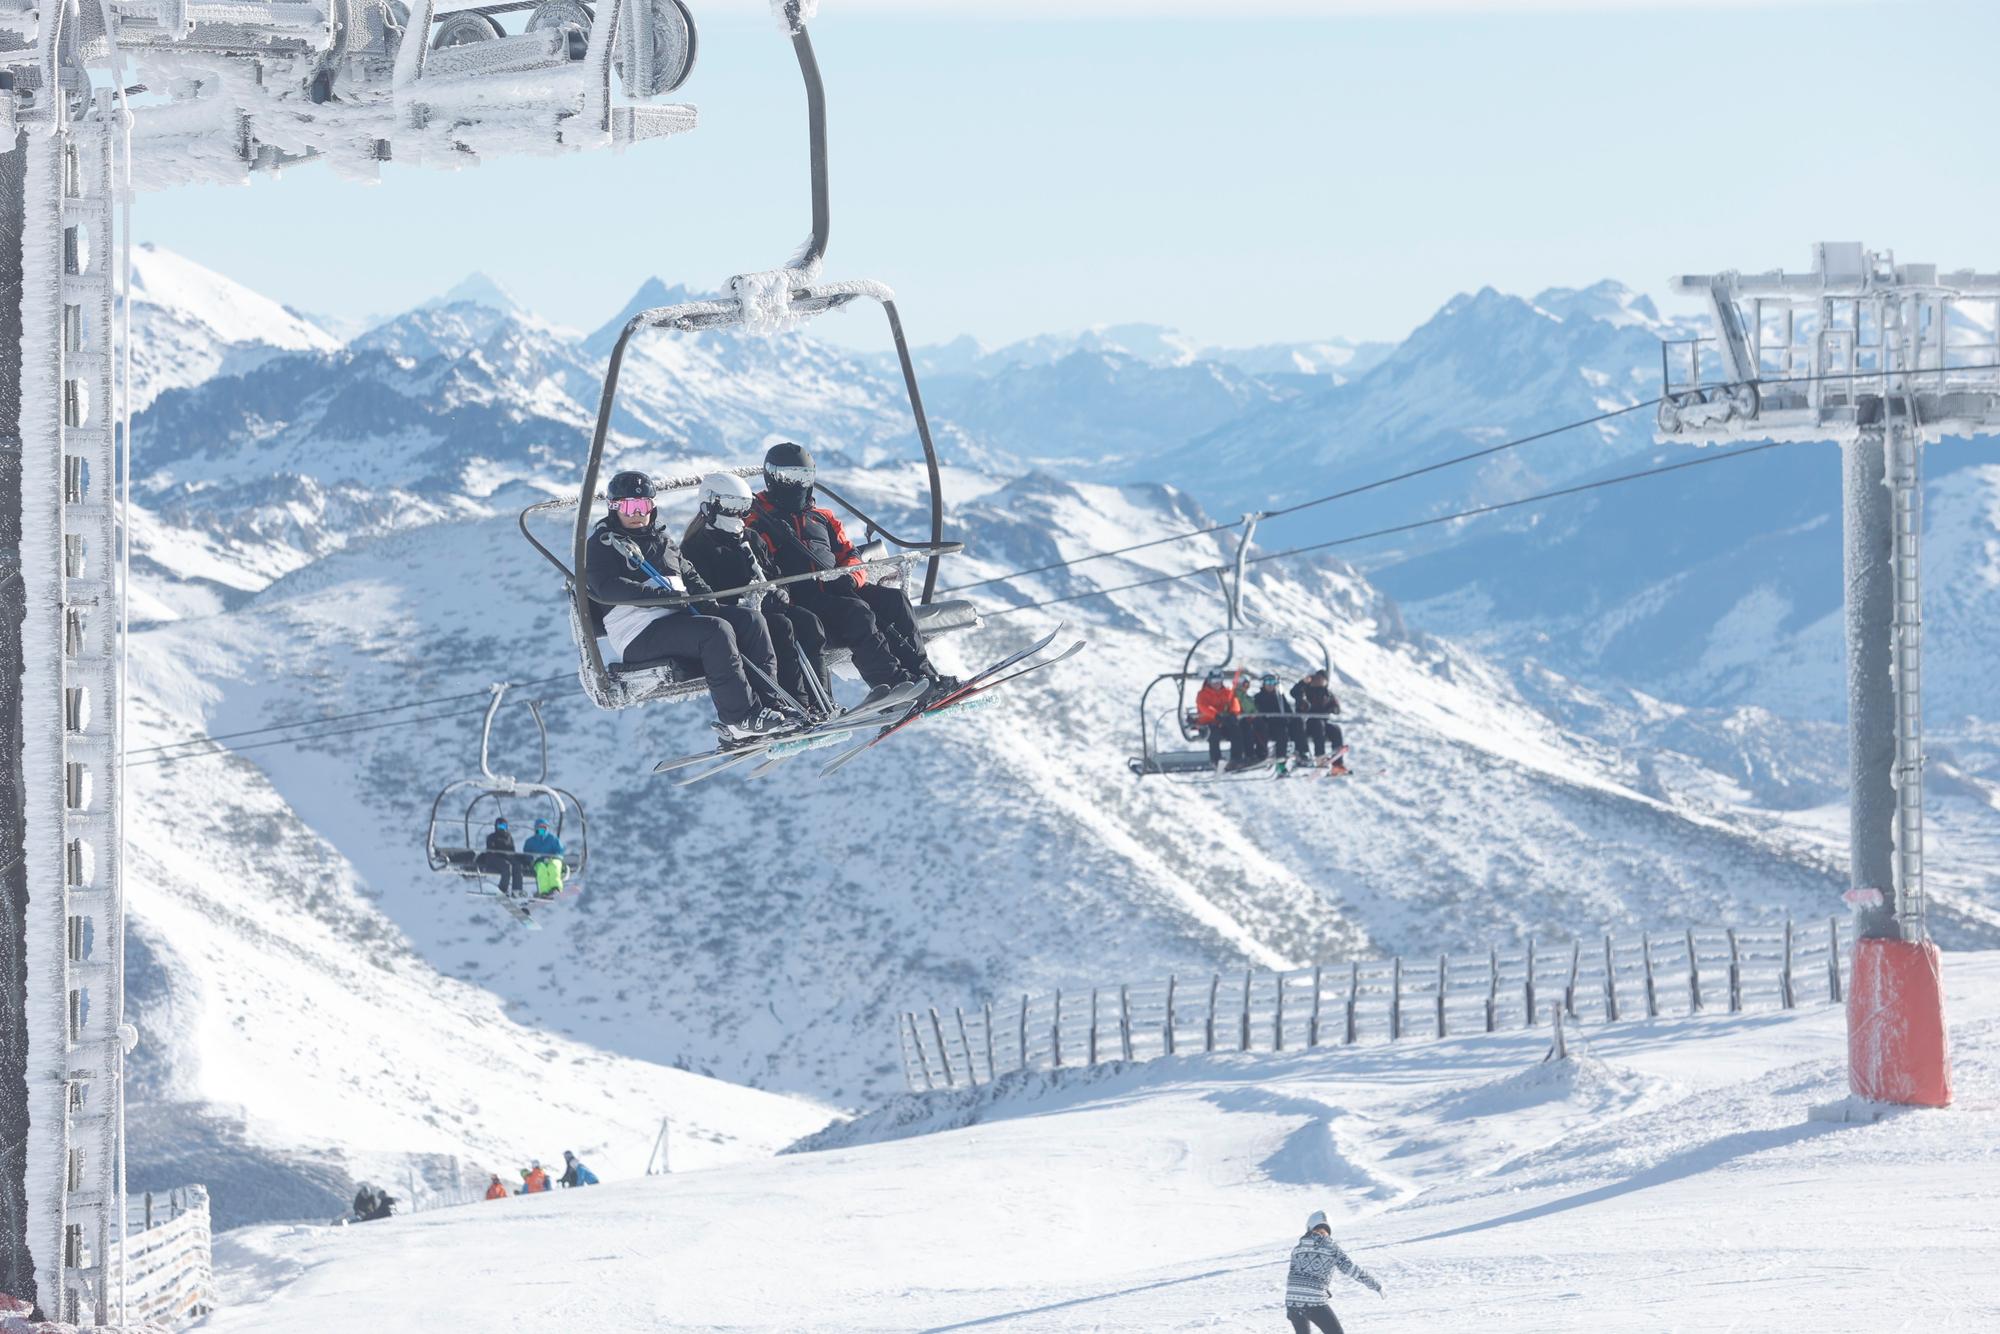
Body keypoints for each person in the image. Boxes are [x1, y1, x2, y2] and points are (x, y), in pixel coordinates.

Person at [584, 469, 786, 743]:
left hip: (675, 619)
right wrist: (658, 597)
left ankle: (770, 707)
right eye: (629, 506)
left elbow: (691, 577)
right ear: (613, 507)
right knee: (715, 631)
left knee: (750, 621)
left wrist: (708, 603)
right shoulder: (603, 545)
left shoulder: (662, 541)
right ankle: (739, 718)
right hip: (638, 633)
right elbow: (606, 587)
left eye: (643, 505)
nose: (637, 513)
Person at [747, 442, 957, 706]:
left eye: (804, 477)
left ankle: (924, 675)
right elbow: (757, 562)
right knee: (857, 612)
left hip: (835, 587)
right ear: (772, 478)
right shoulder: (758, 519)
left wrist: (850, 577)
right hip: (801, 595)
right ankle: (892, 682)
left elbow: (851, 555)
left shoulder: (822, 517)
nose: (797, 484)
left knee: (894, 601)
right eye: (789, 477)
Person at [682, 471, 830, 714]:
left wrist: (781, 589)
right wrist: (746, 599)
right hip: (740, 615)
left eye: (744, 507)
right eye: (731, 507)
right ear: (710, 506)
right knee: (781, 627)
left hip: (769, 606)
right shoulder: (698, 546)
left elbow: (775, 572)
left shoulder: (751, 538)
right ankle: (799, 704)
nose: (738, 515)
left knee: (808, 622)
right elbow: (706, 593)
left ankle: (822, 700)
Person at [1283, 1210, 1382, 1333]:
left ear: (1309, 1227)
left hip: (1292, 1301)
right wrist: (1376, 1286)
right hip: (1314, 1302)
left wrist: (1290, 1306)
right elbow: (1352, 1269)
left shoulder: (1297, 1248)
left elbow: (1292, 1277)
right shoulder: (1330, 1247)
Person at [1289, 670, 1348, 775]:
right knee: (1318, 724)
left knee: (1336, 729)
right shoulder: (1305, 690)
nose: (1319, 681)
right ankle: (1320, 756)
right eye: (1317, 679)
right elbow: (1294, 692)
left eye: (1321, 679)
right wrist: (1303, 682)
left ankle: (1337, 764)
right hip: (1308, 724)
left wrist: (1333, 709)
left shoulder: (1328, 694)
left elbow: (1337, 708)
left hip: (1323, 723)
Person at [1191, 669, 1243, 770]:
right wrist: (1217, 715)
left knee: (1236, 730)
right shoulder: (1203, 694)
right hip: (1207, 724)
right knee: (1213, 733)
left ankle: (1236, 759)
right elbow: (1203, 707)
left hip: (1223, 723)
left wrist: (1233, 713)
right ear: (1209, 681)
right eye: (1214, 681)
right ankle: (1216, 760)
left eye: (1219, 681)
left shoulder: (1227, 692)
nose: (1216, 684)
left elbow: (1234, 703)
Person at [1252, 671, 1300, 773]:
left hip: (1278, 725)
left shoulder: (1280, 698)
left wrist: (1288, 719)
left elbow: (1288, 712)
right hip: (1265, 725)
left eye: (1272, 682)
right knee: (1263, 730)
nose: (1270, 685)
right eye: (1268, 682)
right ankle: (1261, 755)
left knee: (1286, 731)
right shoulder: (1258, 697)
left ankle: (1284, 760)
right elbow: (1256, 711)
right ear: (1263, 684)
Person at [479, 817, 526, 898]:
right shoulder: (492, 837)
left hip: (506, 857)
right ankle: (503, 889)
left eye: (504, 826)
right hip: (493, 858)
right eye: (500, 826)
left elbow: (512, 850)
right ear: (496, 827)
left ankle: (517, 890)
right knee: (507, 866)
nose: (502, 828)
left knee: (517, 866)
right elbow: (491, 849)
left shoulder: (509, 837)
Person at [523, 817, 566, 898]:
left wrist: (554, 857)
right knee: (541, 869)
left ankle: (556, 888)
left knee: (553, 867)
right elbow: (527, 854)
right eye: (540, 828)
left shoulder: (553, 839)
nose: (542, 829)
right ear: (536, 828)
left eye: (544, 827)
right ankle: (544, 891)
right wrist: (531, 860)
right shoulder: (530, 842)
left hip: (553, 859)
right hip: (539, 861)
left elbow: (559, 851)